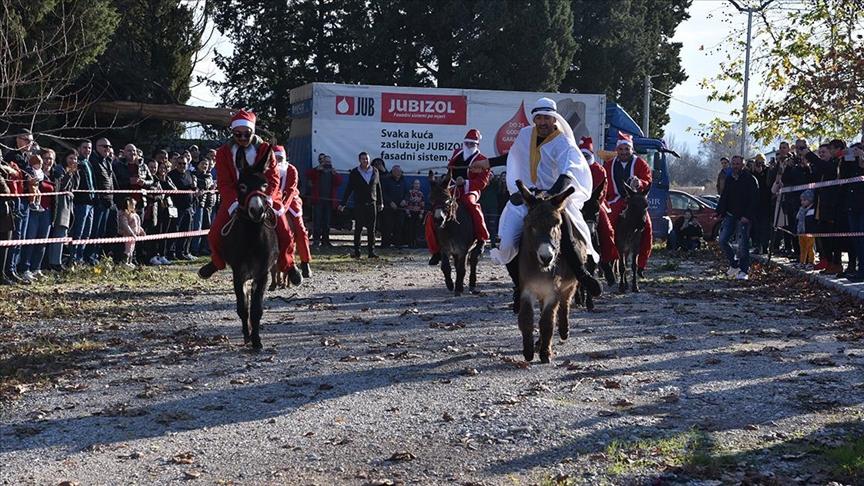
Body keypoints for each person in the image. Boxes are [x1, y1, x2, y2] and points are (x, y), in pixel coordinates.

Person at [489, 97, 601, 312]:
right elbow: (512, 156)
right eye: (538, 117)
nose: (542, 122)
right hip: (528, 198)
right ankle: (517, 285)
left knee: (567, 228)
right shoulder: (524, 135)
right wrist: (487, 163)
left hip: (554, 198)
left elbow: (568, 172)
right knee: (506, 243)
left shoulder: (564, 142)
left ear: (554, 118)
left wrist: (551, 195)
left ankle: (581, 273)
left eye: (546, 118)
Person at [198, 110, 298, 282]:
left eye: (247, 134)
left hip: (265, 195)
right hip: (236, 196)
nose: (242, 137)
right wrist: (233, 204)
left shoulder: (266, 149)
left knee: (285, 231)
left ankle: (288, 264)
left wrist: (267, 197)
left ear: (253, 132)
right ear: (233, 132)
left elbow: (273, 178)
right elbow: (224, 182)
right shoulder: (223, 153)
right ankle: (217, 262)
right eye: (238, 134)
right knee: (214, 233)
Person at [426, 128, 492, 265]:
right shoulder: (457, 153)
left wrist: (466, 182)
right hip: (453, 188)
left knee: (471, 204)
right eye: (467, 143)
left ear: (477, 145)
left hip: (470, 190)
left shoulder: (483, 160)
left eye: (472, 144)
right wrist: (448, 179)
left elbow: (483, 182)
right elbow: (450, 169)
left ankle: (481, 238)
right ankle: (435, 250)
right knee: (432, 212)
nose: (468, 146)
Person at [604, 131, 653, 278]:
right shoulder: (609, 165)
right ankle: (607, 259)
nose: (624, 152)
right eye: (621, 149)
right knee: (607, 225)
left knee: (647, 227)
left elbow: (647, 180)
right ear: (616, 150)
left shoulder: (640, 163)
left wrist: (640, 183)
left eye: (627, 149)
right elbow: (604, 184)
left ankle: (641, 265)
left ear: (632, 150)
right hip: (616, 199)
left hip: (635, 201)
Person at [579, 136, 617, 284]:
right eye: (581, 155)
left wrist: (592, 203)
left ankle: (606, 263)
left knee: (606, 230)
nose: (583, 158)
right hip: (576, 204)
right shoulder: (574, 167)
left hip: (594, 203)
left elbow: (602, 191)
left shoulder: (599, 170)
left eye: (586, 155)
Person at [716, 155, 759, 280]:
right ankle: (734, 265)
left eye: (737, 164)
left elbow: (754, 200)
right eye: (733, 164)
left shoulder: (750, 179)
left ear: (743, 165)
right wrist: (719, 211)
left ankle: (744, 270)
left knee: (743, 244)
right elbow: (724, 197)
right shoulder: (729, 179)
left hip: (743, 217)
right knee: (723, 240)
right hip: (730, 214)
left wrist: (748, 216)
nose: (735, 166)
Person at [274, 145, 311, 278]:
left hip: (291, 201)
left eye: (280, 158)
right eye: (275, 158)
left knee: (300, 229)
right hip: (274, 201)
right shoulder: (268, 169)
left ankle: (305, 261)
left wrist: (283, 207)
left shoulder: (291, 170)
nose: (278, 161)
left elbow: (290, 190)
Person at [2, 129, 34, 283]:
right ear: (17, 139)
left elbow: (32, 175)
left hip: (26, 199)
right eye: (26, 140)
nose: (29, 143)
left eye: (31, 141)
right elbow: (27, 174)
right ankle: (8, 269)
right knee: (15, 235)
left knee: (20, 237)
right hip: (15, 199)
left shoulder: (25, 157)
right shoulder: (12, 157)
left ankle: (12, 268)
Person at [338, 151, 383, 259]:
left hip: (372, 204)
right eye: (363, 159)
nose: (365, 161)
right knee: (358, 228)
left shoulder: (375, 171)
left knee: (371, 229)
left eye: (367, 159)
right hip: (359, 204)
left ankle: (371, 252)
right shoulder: (355, 172)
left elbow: (378, 187)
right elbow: (349, 188)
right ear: (359, 160)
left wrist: (380, 202)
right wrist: (343, 203)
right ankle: (357, 252)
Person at [20, 154, 54, 282]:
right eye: (44, 158)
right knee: (30, 239)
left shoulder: (53, 174)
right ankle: (25, 268)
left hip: (47, 210)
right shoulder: (31, 171)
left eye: (50, 159)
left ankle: (36, 268)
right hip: (33, 210)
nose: (47, 161)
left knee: (42, 241)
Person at [85, 137, 117, 264]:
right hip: (98, 202)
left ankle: (96, 255)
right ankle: (89, 257)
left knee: (102, 232)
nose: (107, 149)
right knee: (94, 231)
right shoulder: (92, 161)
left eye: (109, 147)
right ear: (96, 147)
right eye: (104, 146)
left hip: (109, 201)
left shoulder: (107, 161)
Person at [47, 151, 79, 271]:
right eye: (71, 158)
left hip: (68, 206)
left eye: (75, 159)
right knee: (58, 233)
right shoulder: (59, 170)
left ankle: (59, 260)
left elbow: (75, 187)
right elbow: (62, 186)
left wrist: (75, 174)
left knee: (63, 234)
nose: (73, 161)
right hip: (60, 206)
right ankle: (54, 262)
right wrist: (69, 173)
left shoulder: (71, 171)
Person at [306, 154, 342, 247]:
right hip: (318, 201)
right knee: (317, 221)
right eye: (326, 162)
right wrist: (317, 169)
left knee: (326, 222)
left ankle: (325, 241)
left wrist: (336, 174)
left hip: (329, 201)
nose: (328, 164)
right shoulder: (317, 171)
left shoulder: (332, 172)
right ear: (322, 162)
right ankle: (316, 241)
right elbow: (308, 174)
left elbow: (339, 182)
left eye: (329, 162)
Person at [70, 140, 96, 265]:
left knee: (87, 233)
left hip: (91, 203)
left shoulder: (88, 163)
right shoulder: (77, 163)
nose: (87, 150)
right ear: (79, 149)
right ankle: (72, 258)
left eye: (89, 148)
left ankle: (80, 258)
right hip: (81, 202)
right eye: (85, 148)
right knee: (78, 232)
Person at [168, 154, 197, 260]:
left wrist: (195, 192)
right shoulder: (171, 175)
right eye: (179, 163)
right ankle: (171, 253)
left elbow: (192, 188)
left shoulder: (189, 174)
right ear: (176, 164)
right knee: (175, 231)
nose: (182, 166)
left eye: (184, 164)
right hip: (177, 207)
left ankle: (182, 252)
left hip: (188, 207)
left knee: (187, 231)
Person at [380, 164, 408, 248]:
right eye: (395, 171)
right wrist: (390, 202)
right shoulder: (387, 180)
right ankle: (385, 244)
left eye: (399, 171)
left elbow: (407, 193)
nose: (397, 173)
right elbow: (383, 193)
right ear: (392, 172)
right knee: (387, 226)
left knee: (399, 227)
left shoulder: (404, 180)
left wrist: (405, 200)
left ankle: (397, 244)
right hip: (389, 208)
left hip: (400, 208)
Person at [118, 197, 146, 268]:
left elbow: (137, 225)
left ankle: (130, 261)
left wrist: (141, 231)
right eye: (132, 205)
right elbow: (125, 225)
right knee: (127, 249)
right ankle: (124, 262)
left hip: (134, 235)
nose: (134, 207)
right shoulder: (123, 214)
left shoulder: (134, 215)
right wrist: (131, 233)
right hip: (127, 235)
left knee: (132, 249)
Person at [796, 190, 817, 267]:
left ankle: (811, 261)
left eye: (804, 200)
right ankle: (802, 261)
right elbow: (797, 219)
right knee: (802, 247)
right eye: (801, 200)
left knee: (810, 247)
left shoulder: (812, 210)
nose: (802, 202)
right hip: (801, 232)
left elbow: (812, 222)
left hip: (809, 232)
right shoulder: (801, 209)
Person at [404, 179, 426, 248]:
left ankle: (415, 243)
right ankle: (410, 243)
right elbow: (406, 204)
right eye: (415, 184)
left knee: (416, 229)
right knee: (410, 229)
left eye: (418, 184)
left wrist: (421, 214)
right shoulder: (409, 192)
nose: (417, 185)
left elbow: (422, 205)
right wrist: (408, 213)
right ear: (413, 184)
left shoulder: (421, 194)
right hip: (410, 213)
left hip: (418, 213)